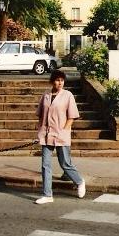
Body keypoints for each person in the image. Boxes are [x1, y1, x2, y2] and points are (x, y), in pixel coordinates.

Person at [34, 69, 85, 204]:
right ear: (52, 81)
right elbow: (40, 115)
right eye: (57, 80)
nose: (60, 83)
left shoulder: (68, 95)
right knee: (45, 165)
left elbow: (72, 116)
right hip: (46, 134)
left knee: (65, 164)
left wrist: (64, 129)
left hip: (61, 134)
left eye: (62, 80)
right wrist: (39, 131)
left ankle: (79, 181)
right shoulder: (45, 95)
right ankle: (47, 194)